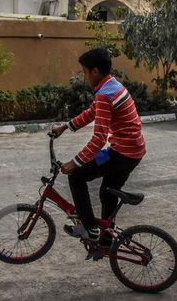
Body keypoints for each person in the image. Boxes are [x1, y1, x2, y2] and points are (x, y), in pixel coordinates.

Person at [51, 48, 146, 241]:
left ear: (95, 71)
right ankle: (106, 238)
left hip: (121, 152)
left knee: (77, 176)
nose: (85, 77)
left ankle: (90, 229)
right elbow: (92, 112)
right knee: (107, 192)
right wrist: (66, 126)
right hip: (132, 150)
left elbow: (98, 139)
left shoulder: (104, 94)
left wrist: (74, 162)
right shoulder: (111, 85)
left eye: (85, 72)